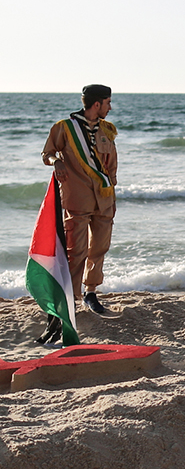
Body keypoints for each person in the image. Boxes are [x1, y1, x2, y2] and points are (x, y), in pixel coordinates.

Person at [40, 84, 119, 325]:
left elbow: (112, 164)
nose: (110, 107)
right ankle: (69, 299)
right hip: (78, 197)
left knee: (100, 248)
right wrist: (56, 162)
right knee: (76, 251)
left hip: (104, 198)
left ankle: (91, 292)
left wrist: (112, 189)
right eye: (107, 103)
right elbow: (47, 153)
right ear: (97, 104)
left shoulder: (107, 130)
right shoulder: (64, 128)